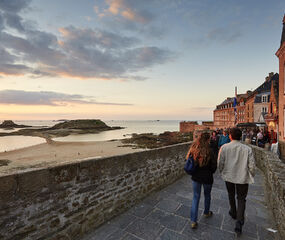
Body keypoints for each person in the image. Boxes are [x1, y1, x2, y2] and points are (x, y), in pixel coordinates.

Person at [218, 128, 256, 234]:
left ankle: (233, 212)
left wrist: (222, 172)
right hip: (242, 177)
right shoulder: (247, 149)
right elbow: (252, 166)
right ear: (240, 136)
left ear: (230, 136)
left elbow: (220, 162)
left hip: (229, 176)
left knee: (231, 194)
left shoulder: (224, 147)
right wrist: (251, 175)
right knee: (241, 198)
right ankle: (239, 221)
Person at [186, 132, 217, 229]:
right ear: (208, 140)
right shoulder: (210, 151)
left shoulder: (193, 149)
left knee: (196, 197)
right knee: (207, 195)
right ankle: (206, 212)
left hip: (196, 177)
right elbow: (214, 167)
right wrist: (210, 171)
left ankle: (193, 221)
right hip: (207, 177)